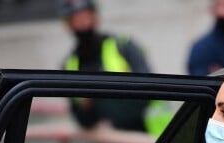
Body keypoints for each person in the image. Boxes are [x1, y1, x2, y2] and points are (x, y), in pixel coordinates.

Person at [58, 0, 153, 132]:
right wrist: (88, 106)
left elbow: (148, 90)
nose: (82, 23)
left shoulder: (123, 46)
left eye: (85, 16)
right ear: (68, 25)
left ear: (95, 17)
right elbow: (81, 118)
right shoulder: (69, 64)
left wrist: (99, 103)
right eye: (75, 19)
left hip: (144, 134)